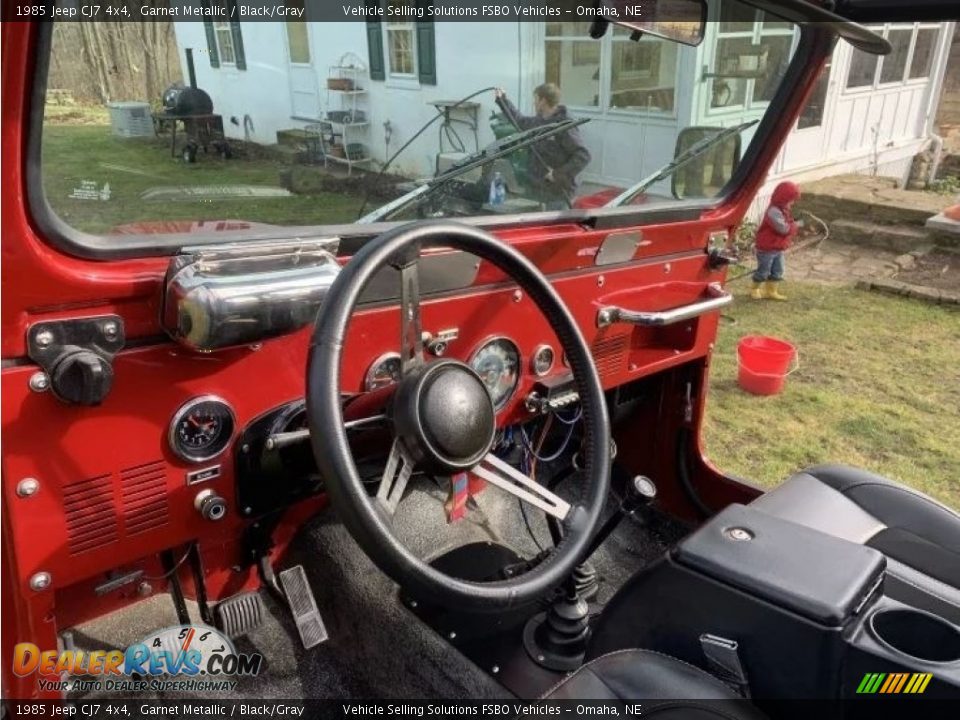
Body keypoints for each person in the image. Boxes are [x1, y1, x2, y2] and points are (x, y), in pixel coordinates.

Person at [494, 84, 591, 210]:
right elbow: (519, 121)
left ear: (543, 101)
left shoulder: (564, 125)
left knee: (552, 228)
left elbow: (583, 156)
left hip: (558, 194)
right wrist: (503, 100)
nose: (534, 103)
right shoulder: (539, 122)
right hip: (537, 189)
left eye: (535, 99)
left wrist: (557, 174)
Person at [751, 180, 801, 301]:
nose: (793, 203)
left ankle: (771, 291)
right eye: (791, 200)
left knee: (778, 270)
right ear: (783, 199)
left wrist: (792, 223)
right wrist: (796, 225)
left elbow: (787, 224)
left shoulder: (783, 210)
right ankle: (755, 289)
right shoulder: (773, 211)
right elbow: (783, 229)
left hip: (777, 247)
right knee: (763, 271)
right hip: (767, 248)